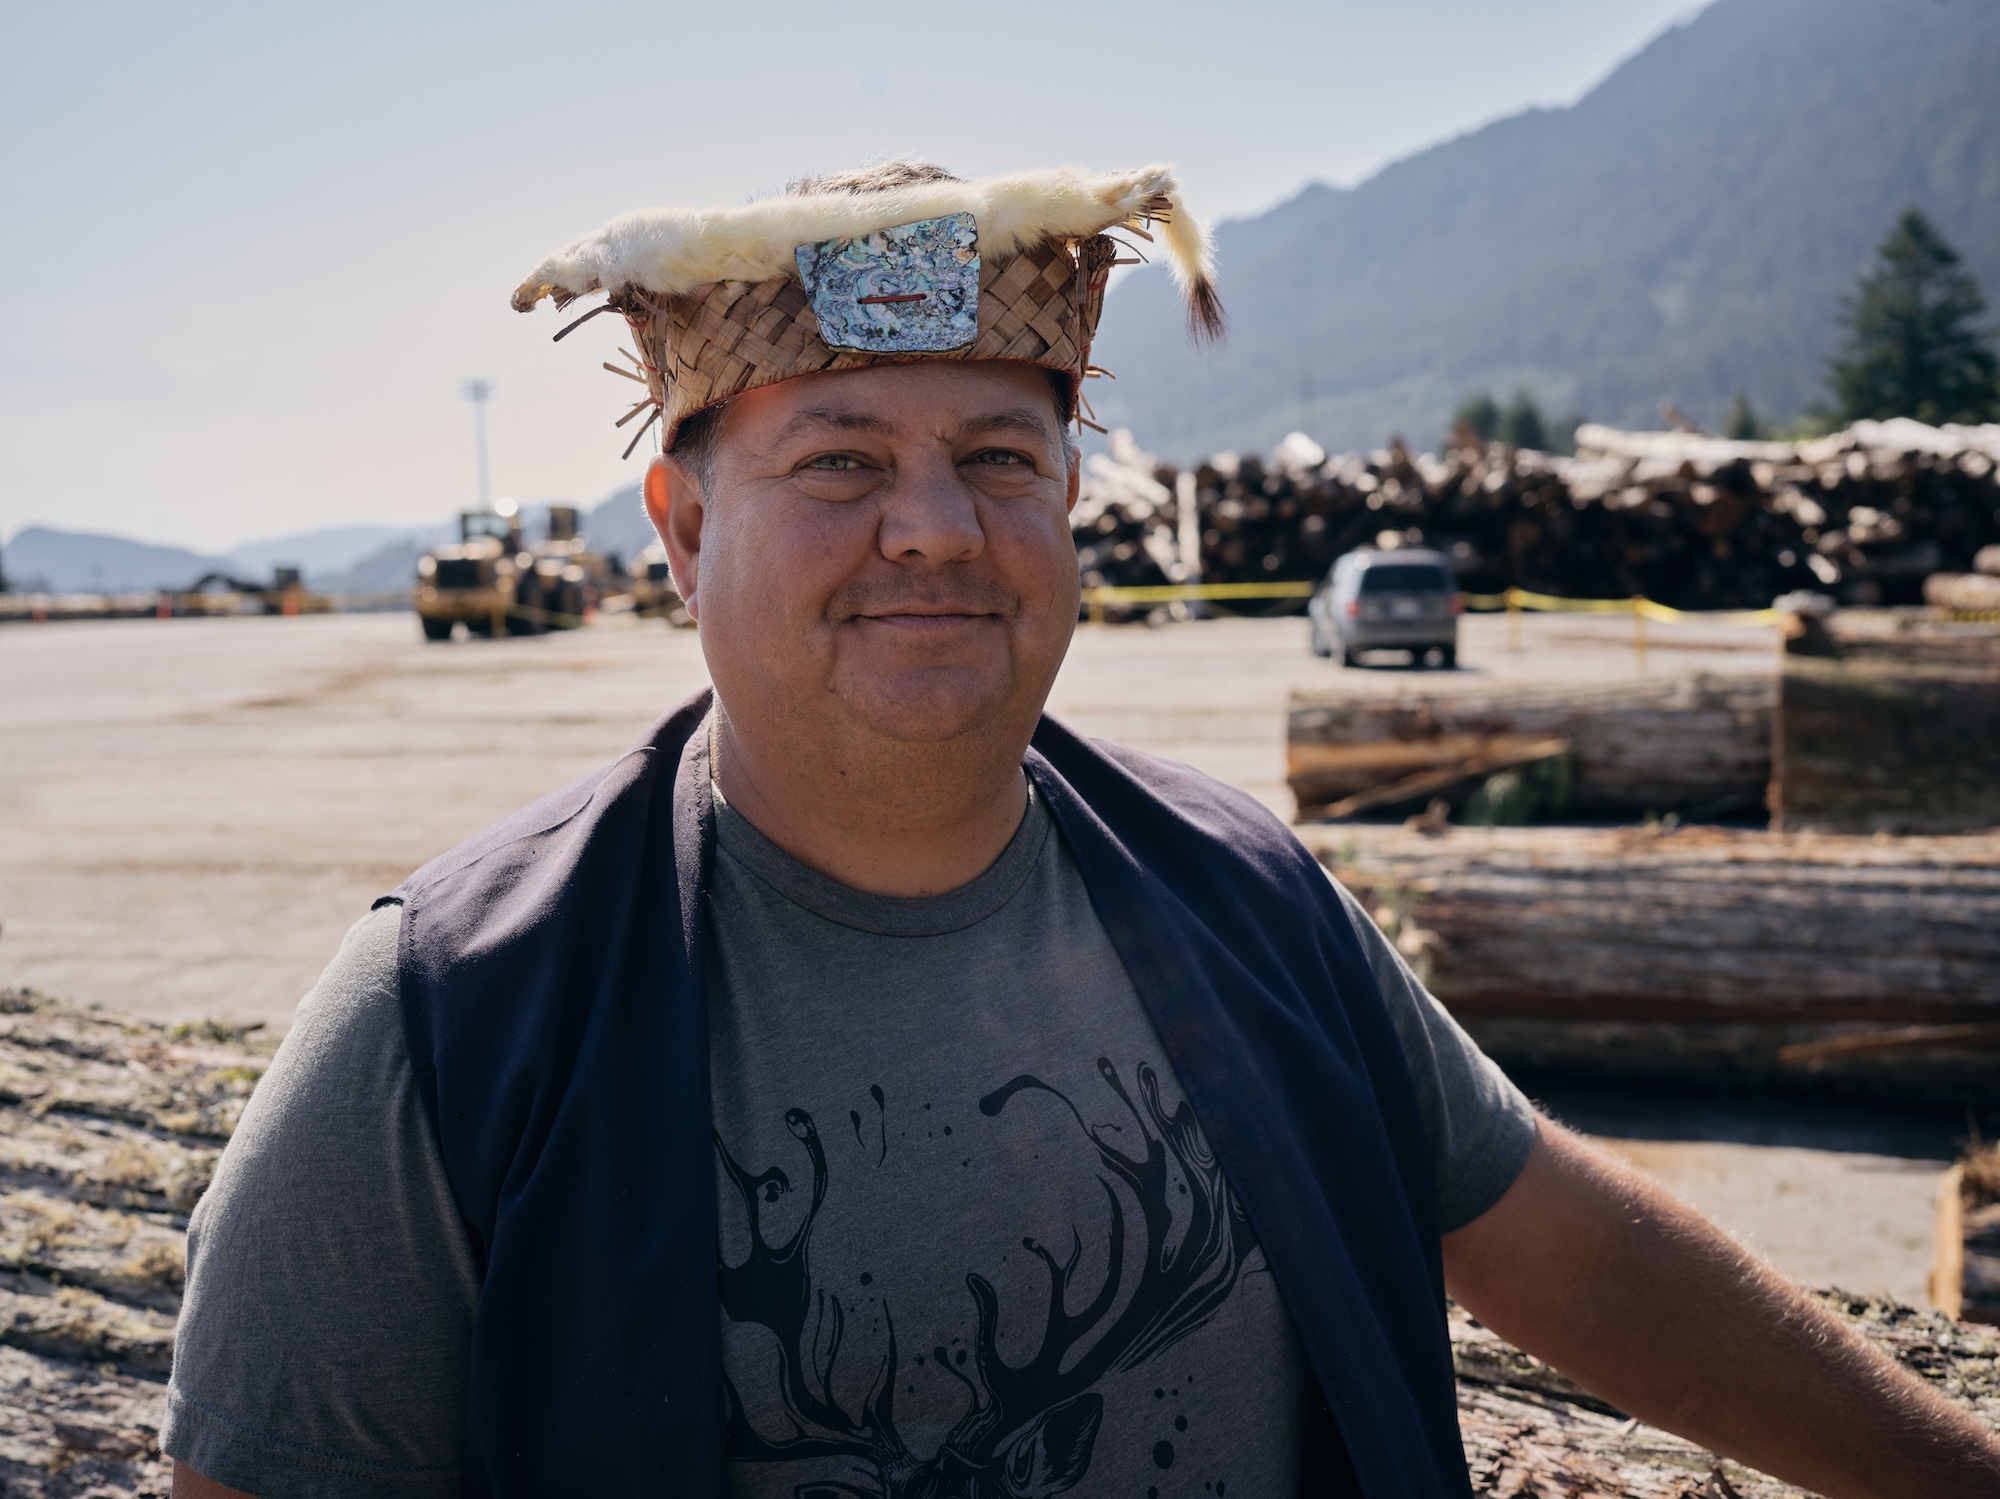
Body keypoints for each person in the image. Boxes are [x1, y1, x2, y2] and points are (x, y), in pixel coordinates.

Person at [166, 163, 2000, 1499]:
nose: (936, 528)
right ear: (679, 527)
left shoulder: (1251, 904)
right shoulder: (456, 1019)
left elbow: (1576, 1253)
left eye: (998, 458)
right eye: (840, 461)